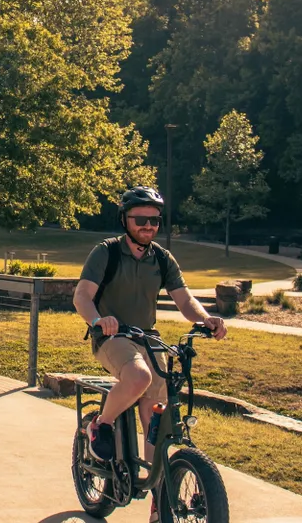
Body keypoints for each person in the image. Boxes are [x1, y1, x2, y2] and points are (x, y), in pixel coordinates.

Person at [72, 186, 227, 523]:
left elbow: (185, 300)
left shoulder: (161, 258)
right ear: (125, 219)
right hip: (113, 336)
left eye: (155, 220)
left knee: (157, 413)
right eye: (141, 219)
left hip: (147, 338)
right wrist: (99, 320)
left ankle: (159, 499)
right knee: (139, 376)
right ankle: (102, 425)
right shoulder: (106, 253)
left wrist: (206, 319)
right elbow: (82, 296)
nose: (148, 225)